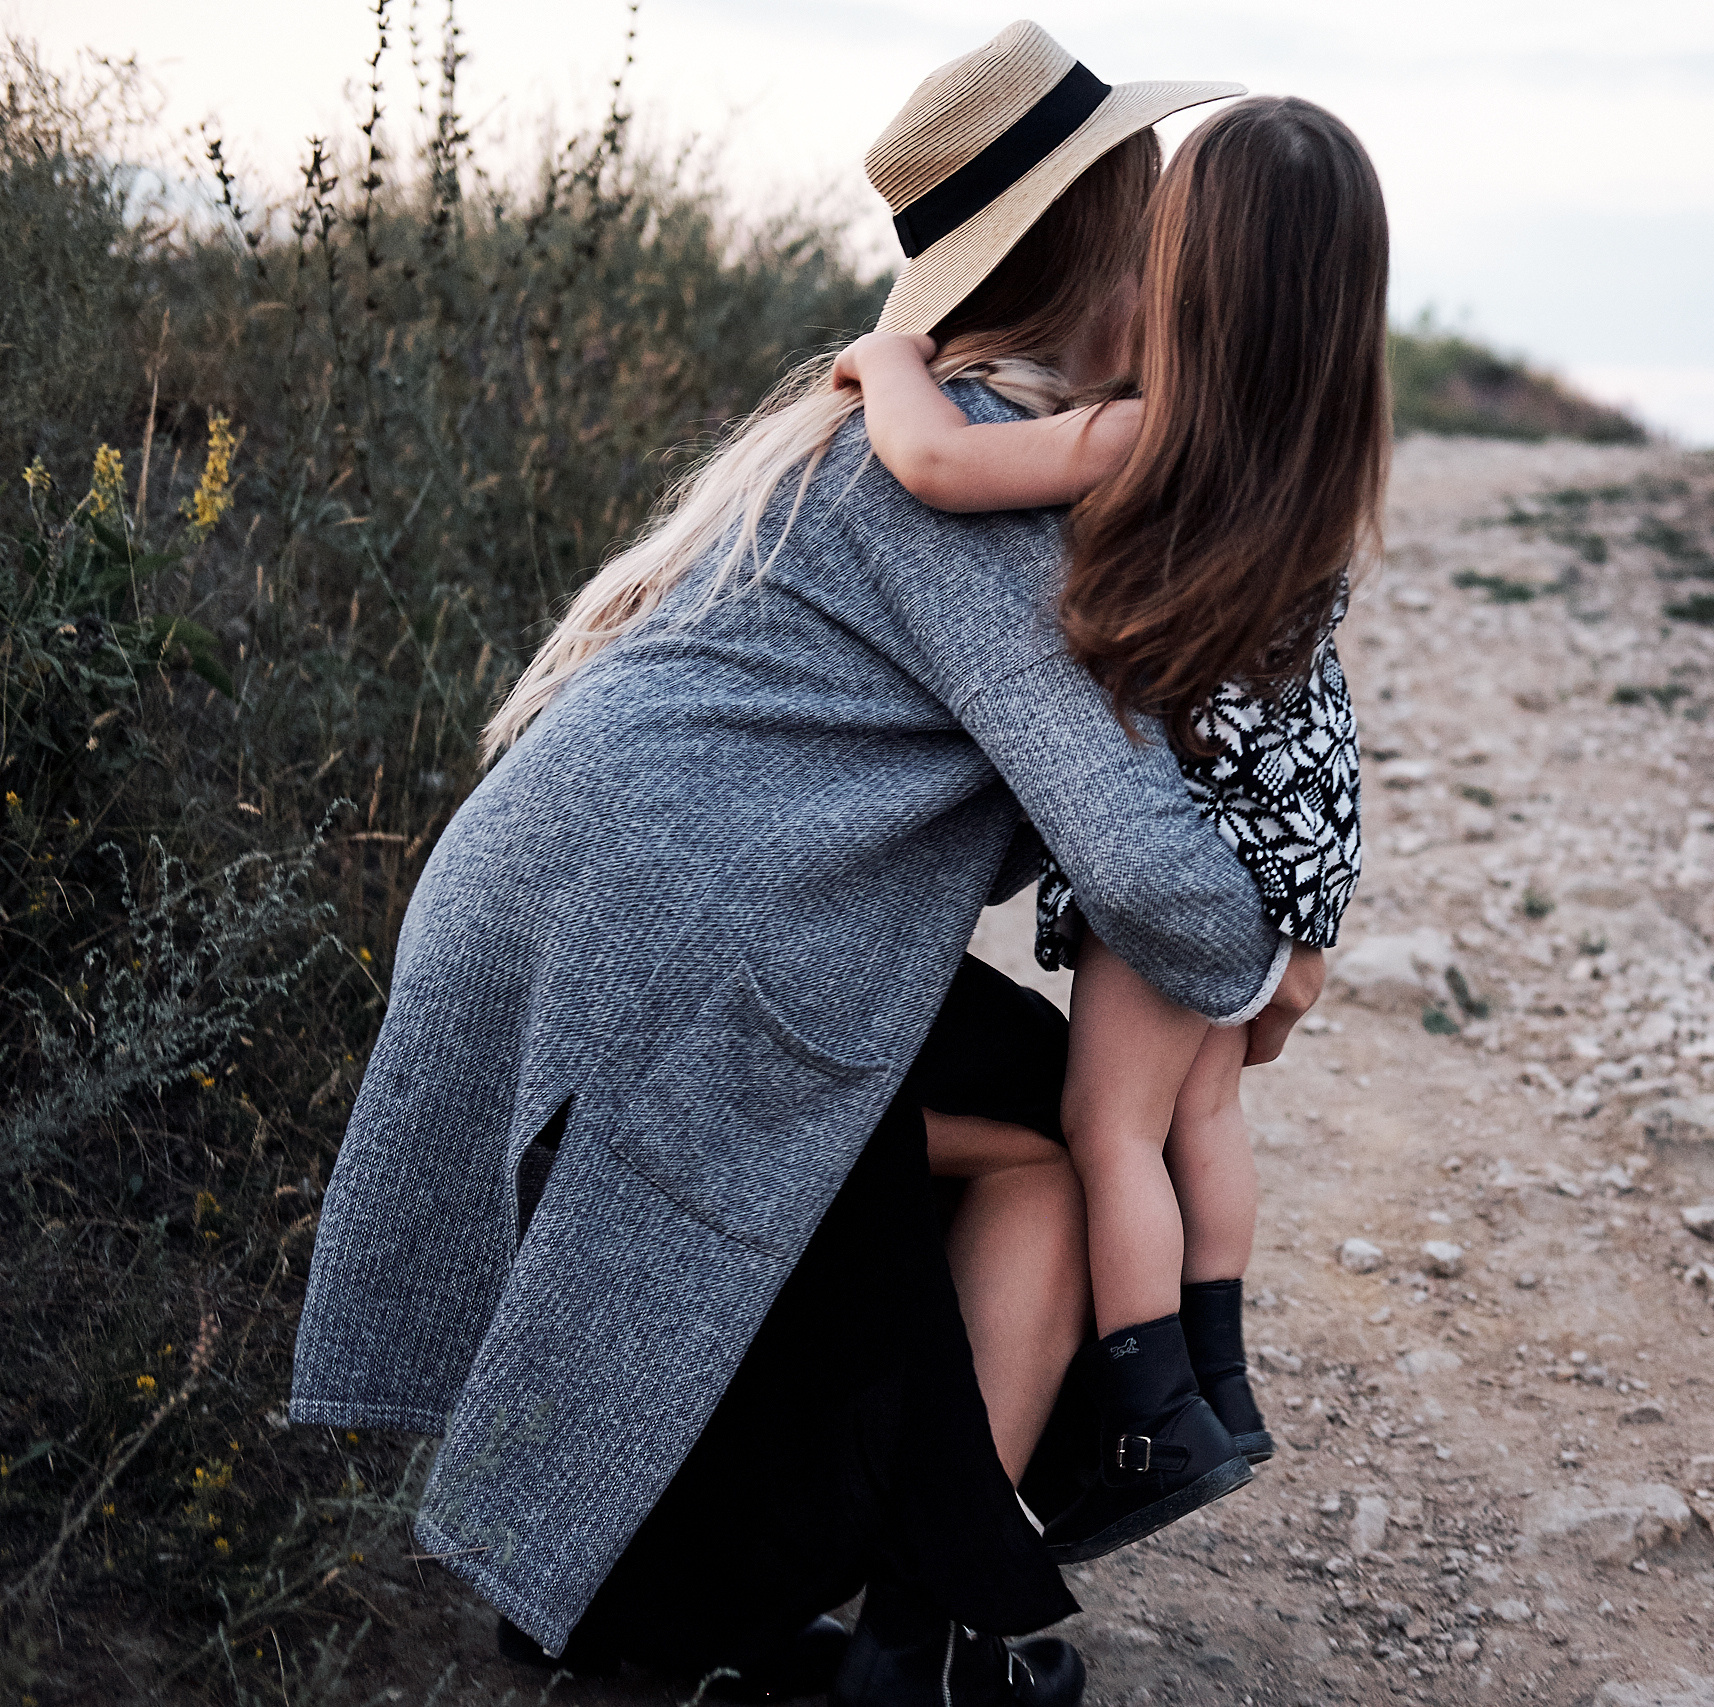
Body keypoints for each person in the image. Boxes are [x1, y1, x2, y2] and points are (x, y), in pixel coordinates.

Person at [288, 24, 1318, 1706]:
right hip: (666, 958)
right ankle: (921, 1642)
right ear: (1108, 255)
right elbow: (1136, 855)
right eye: (1157, 228)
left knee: (938, 1169)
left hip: (583, 916)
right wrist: (1270, 954)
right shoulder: (974, 485)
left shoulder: (910, 431)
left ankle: (887, 1622)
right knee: (1051, 1156)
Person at [837, 94, 1384, 1564]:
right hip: (1293, 824)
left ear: (1186, 275)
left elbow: (942, 467)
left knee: (1106, 1128)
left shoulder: (1147, 434)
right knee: (1204, 1114)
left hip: (1197, 829)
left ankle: (1148, 1414)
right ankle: (1219, 1376)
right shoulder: (1322, 454)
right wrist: (1300, 934)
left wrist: (888, 363)